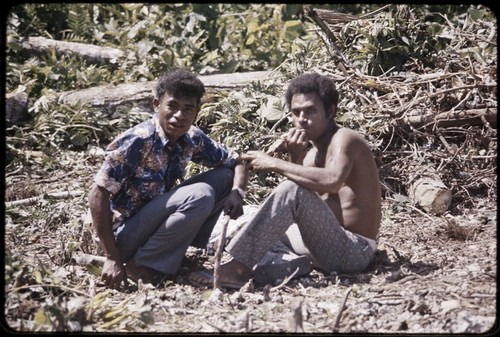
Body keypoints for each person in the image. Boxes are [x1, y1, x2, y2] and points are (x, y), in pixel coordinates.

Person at [189, 72, 382, 289]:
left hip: (352, 252)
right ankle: (289, 264)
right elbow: (303, 203)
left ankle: (239, 269)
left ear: (330, 111)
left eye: (310, 111)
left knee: (288, 191)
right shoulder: (312, 154)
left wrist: (274, 163)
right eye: (296, 112)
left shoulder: (345, 139)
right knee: (252, 215)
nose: (302, 119)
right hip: (320, 247)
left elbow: (331, 181)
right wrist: (295, 157)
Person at [88, 69, 248, 289]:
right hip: (122, 235)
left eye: (187, 109)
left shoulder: (191, 137)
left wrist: (238, 192)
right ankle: (140, 265)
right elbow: (97, 194)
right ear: (156, 105)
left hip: (152, 222)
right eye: (172, 106)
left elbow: (236, 160)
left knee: (225, 177)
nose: (179, 116)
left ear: (197, 111)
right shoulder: (139, 140)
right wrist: (112, 256)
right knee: (201, 194)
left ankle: (173, 251)